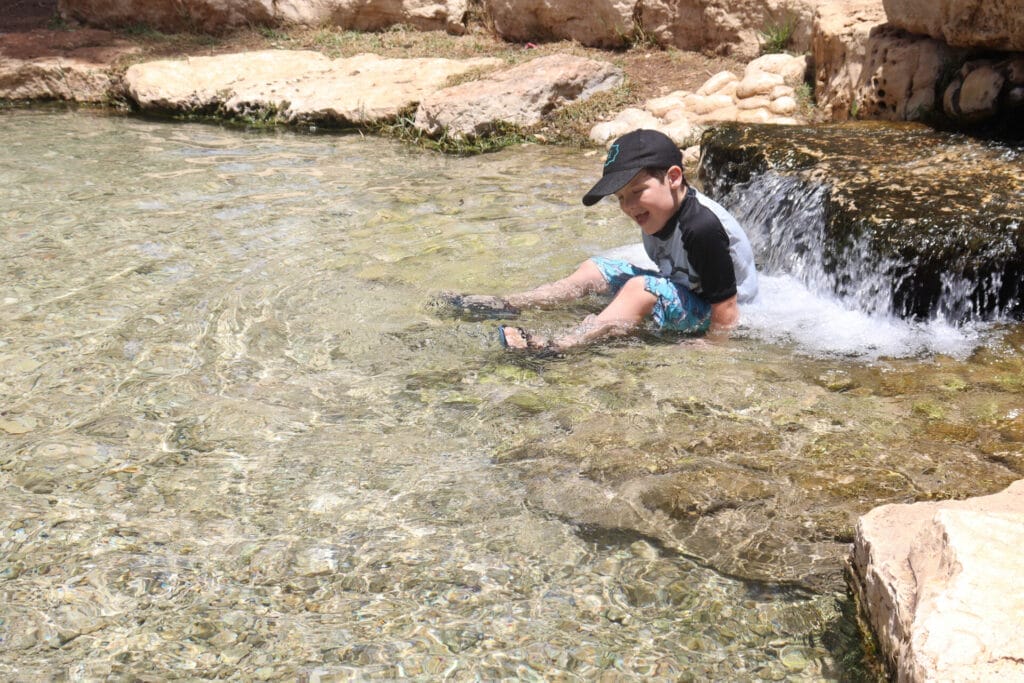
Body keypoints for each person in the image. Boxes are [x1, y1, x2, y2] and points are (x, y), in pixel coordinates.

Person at [439, 128, 758, 353]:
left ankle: (558, 347)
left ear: (673, 178)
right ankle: (508, 304)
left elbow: (727, 307)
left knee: (638, 290)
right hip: (687, 288)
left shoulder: (701, 227)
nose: (629, 206)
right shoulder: (660, 209)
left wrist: (713, 347)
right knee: (595, 268)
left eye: (636, 192)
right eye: (620, 197)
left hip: (721, 308)